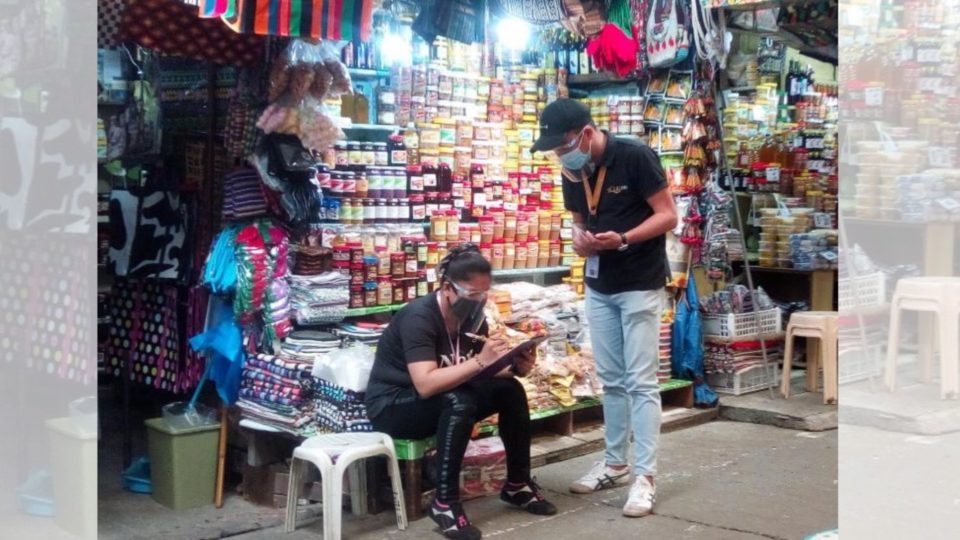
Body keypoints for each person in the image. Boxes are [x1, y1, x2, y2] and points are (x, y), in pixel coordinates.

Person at [530, 99, 678, 518]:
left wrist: (626, 238)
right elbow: (578, 219)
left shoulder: (635, 156)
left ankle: (645, 477)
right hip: (599, 283)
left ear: (587, 134)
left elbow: (669, 216)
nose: (562, 156)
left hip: (639, 282)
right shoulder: (573, 170)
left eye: (564, 147)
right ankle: (615, 462)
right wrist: (578, 237)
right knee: (610, 379)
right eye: (556, 152)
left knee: (641, 382)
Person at [365, 244, 558, 540]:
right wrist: (481, 360)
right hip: (393, 405)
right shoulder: (420, 318)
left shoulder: (473, 317)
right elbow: (426, 383)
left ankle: (517, 484)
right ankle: (444, 502)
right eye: (472, 294)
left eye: (485, 294)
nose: (479, 301)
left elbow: (480, 371)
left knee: (510, 390)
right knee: (459, 400)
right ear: (447, 288)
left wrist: (517, 366)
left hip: (438, 397)